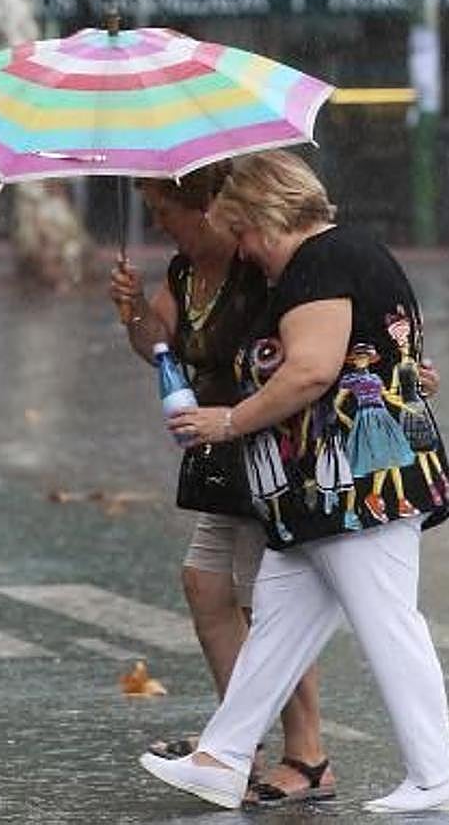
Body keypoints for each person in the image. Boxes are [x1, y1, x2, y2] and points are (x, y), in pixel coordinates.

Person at [138, 150, 449, 814]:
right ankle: (223, 757)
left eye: (246, 233)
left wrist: (227, 421)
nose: (248, 251)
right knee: (281, 624)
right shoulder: (342, 256)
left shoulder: (319, 262)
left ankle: (439, 776)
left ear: (266, 216)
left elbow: (311, 371)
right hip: (324, 492)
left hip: (357, 484)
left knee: (388, 625)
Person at [110, 162, 331, 805]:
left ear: (206, 207)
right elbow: (160, 347)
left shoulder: (256, 267)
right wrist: (131, 313)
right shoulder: (184, 274)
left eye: (165, 211)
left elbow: (306, 349)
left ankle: (308, 754)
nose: (158, 224)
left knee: (271, 602)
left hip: (263, 444)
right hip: (216, 451)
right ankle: (237, 744)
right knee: (206, 586)